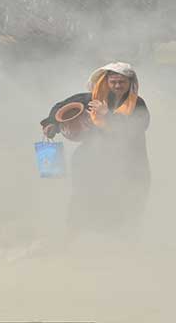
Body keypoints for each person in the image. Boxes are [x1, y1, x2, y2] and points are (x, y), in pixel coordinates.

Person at [40, 62, 151, 235]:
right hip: (92, 156)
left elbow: (136, 128)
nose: (117, 86)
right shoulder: (91, 99)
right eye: (113, 82)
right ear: (105, 82)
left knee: (123, 199)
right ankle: (75, 235)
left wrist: (107, 115)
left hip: (127, 160)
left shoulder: (137, 104)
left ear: (130, 83)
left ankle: (120, 242)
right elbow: (60, 108)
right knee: (83, 195)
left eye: (122, 82)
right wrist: (52, 124)